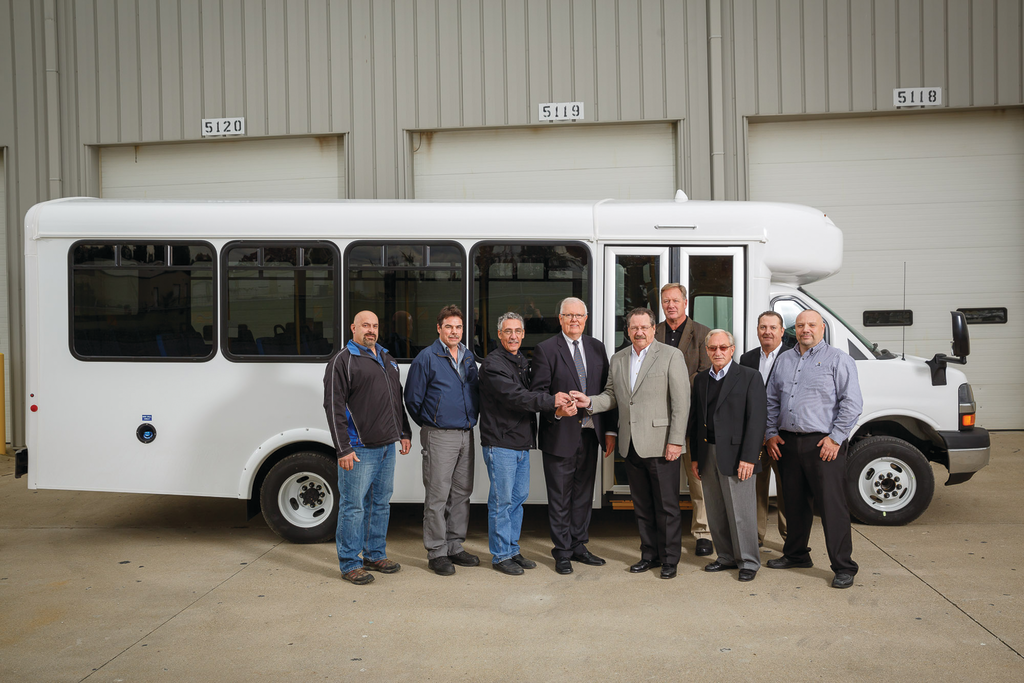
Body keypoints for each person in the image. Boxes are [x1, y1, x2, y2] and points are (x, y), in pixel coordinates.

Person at [573, 307, 689, 579]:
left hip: (662, 445)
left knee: (667, 507)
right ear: (628, 331)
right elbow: (612, 396)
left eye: (644, 327)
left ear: (653, 329)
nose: (639, 332)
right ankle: (649, 555)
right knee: (643, 507)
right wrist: (589, 402)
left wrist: (676, 441)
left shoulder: (672, 355)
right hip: (631, 445)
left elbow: (682, 404)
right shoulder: (619, 358)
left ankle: (670, 559)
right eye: (634, 328)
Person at [764, 309, 863, 589]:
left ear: (822, 328)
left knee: (832, 507)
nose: (805, 329)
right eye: (800, 325)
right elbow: (771, 399)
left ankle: (844, 566)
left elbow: (852, 403)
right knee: (794, 504)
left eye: (811, 325)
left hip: (823, 444)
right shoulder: (784, 359)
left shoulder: (838, 360)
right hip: (787, 442)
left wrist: (836, 438)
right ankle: (796, 554)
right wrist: (770, 433)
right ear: (794, 329)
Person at [478, 312, 572, 575]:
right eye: (508, 331)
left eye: (518, 331)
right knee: (502, 501)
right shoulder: (493, 365)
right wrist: (552, 401)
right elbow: (517, 397)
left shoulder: (521, 361)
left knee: (518, 499)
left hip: (521, 444)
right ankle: (500, 556)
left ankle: (512, 550)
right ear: (499, 334)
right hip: (501, 443)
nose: (513, 336)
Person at [323, 310, 412, 585]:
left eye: (374, 325)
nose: (371, 330)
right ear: (353, 328)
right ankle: (350, 563)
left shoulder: (386, 357)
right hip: (359, 449)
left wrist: (404, 431)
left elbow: (396, 399)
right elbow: (334, 407)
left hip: (387, 445)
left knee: (380, 504)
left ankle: (375, 554)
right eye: (365, 325)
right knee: (353, 507)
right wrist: (343, 448)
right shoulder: (342, 361)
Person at [530, 297, 615, 575]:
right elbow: (539, 393)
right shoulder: (545, 350)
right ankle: (562, 551)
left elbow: (606, 393)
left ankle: (579, 545)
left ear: (586, 318)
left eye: (579, 315)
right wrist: (558, 410)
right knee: (560, 496)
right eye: (569, 316)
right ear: (560, 319)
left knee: (582, 495)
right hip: (560, 434)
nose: (574, 320)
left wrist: (610, 430)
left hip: (591, 434)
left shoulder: (596, 347)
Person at [404, 305, 481, 576]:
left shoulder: (469, 357)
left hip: (465, 434)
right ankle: (436, 552)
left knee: (461, 494)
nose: (454, 331)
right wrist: (432, 421)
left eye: (458, 327)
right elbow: (412, 399)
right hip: (439, 435)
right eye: (449, 326)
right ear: (439, 328)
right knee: (437, 495)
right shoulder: (427, 357)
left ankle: (454, 546)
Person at [689, 330, 767, 582]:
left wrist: (749, 457)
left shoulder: (749, 377)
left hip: (737, 455)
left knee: (741, 512)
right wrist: (696, 457)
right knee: (715, 509)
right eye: (713, 348)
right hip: (707, 451)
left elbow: (756, 421)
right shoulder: (701, 380)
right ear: (707, 350)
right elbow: (696, 420)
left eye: (723, 347)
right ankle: (725, 556)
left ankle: (748, 561)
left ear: (732, 349)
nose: (718, 352)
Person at [654, 283, 714, 557]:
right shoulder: (652, 331)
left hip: (691, 418)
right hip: (658, 418)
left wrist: (673, 386)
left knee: (697, 479)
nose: (670, 305)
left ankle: (703, 532)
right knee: (661, 479)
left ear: (685, 303)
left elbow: (703, 376)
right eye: (666, 301)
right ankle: (663, 533)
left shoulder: (702, 333)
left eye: (675, 300)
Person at [739, 310, 793, 546]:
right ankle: (756, 539)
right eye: (763, 327)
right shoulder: (747, 359)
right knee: (756, 492)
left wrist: (772, 433)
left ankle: (791, 541)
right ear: (757, 330)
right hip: (755, 438)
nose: (767, 332)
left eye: (773, 327)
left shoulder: (794, 358)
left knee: (787, 491)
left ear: (782, 331)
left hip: (782, 439)